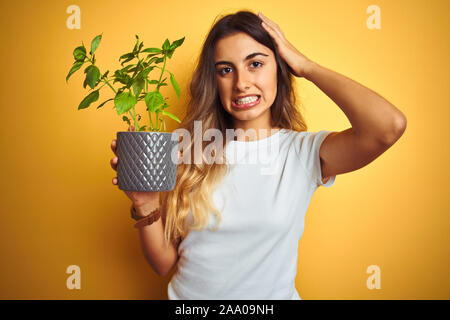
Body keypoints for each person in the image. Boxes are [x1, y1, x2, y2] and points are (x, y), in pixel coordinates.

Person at [110, 10, 406, 300]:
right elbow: (162, 264)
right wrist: (145, 203)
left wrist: (306, 67)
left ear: (279, 67)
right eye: (226, 69)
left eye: (255, 64)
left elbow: (387, 127)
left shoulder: (302, 152)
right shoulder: (185, 148)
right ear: (214, 81)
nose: (240, 83)